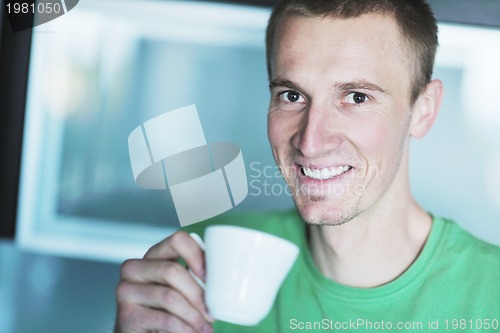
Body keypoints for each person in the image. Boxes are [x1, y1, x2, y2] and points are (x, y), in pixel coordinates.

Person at [114, 0, 500, 332]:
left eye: (357, 97)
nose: (311, 142)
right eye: (292, 95)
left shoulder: (490, 294)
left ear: (423, 111)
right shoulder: (199, 266)